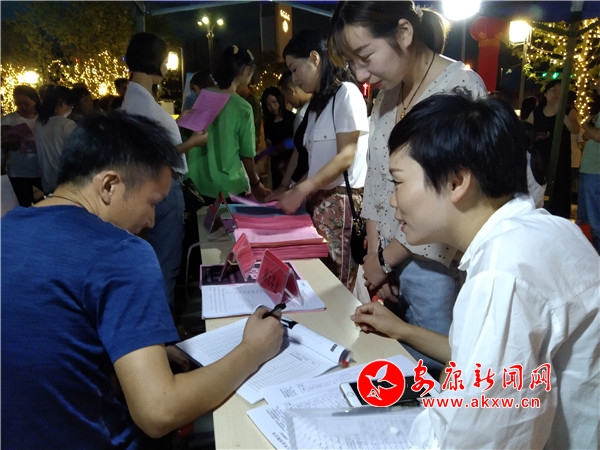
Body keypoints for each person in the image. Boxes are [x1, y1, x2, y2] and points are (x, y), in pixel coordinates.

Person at [1, 111, 284, 449]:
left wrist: (140, 348)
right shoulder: (120, 252)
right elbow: (159, 411)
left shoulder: (7, 227)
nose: (151, 220)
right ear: (109, 185)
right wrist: (252, 350)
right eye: (152, 203)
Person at [351, 93, 599, 449]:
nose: (392, 201)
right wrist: (402, 330)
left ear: (456, 182)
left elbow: (480, 435)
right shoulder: (544, 230)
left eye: (398, 182)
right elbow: (481, 358)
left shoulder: (503, 272)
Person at [329, 1, 486, 374]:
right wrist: (374, 257)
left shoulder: (460, 88)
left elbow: (448, 198)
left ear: (403, 33)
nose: (361, 73)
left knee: (434, 370)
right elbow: (377, 179)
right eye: (352, 63)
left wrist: (385, 260)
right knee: (393, 360)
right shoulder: (387, 95)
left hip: (434, 262)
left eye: (365, 56)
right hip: (387, 257)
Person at [268, 29, 369, 291]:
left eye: (295, 69)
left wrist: (299, 190)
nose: (294, 78)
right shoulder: (316, 108)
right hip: (317, 205)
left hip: (339, 205)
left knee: (337, 285)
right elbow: (315, 165)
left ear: (314, 58)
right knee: (318, 281)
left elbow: (345, 156)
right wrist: (289, 191)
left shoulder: (347, 94)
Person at [121, 33, 207, 309]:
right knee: (166, 264)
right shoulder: (142, 102)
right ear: (155, 62)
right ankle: (164, 327)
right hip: (163, 189)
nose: (167, 67)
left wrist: (178, 124)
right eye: (165, 61)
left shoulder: (137, 97)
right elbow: (154, 155)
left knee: (159, 261)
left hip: (154, 188)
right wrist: (191, 143)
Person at [185, 45, 269, 204]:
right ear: (246, 70)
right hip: (228, 189)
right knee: (228, 222)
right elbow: (247, 155)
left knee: (203, 221)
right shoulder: (243, 108)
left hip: (196, 186)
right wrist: (255, 183)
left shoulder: (200, 97)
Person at [526, 79, 580, 219]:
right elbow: (526, 133)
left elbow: (575, 129)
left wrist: (561, 114)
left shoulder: (569, 111)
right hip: (540, 160)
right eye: (553, 91)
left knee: (559, 192)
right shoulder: (537, 112)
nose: (556, 94)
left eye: (560, 91)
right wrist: (536, 137)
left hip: (560, 159)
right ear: (545, 94)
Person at [1, 85, 43, 206]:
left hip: (41, 170)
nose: (22, 107)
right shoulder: (8, 120)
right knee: (24, 204)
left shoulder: (43, 119)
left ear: (34, 101)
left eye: (26, 103)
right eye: (19, 104)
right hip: (18, 172)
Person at [274, 69, 313, 191]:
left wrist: (288, 187)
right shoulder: (315, 108)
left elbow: (298, 150)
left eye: (285, 97)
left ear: (292, 91)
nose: (286, 102)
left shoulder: (302, 116)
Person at [35, 85, 77, 194]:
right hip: (67, 182)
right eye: (71, 105)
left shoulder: (40, 123)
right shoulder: (67, 124)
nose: (71, 109)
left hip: (48, 181)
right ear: (62, 103)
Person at [578, 78, 600, 252]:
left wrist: (587, 126)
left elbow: (597, 135)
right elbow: (587, 136)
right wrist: (590, 131)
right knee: (585, 218)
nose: (597, 84)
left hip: (596, 172)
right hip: (589, 171)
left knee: (595, 221)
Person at [260, 86, 295, 189]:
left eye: (274, 102)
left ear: (279, 100)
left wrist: (284, 146)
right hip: (277, 166)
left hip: (292, 161)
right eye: (268, 104)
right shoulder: (268, 124)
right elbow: (269, 143)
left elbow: (297, 141)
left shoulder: (291, 118)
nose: (272, 106)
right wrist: (270, 150)